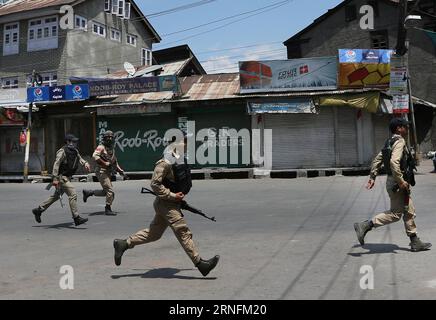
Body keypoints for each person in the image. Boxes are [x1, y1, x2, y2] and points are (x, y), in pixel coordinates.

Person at [112, 135, 220, 277]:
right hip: (166, 204)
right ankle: (201, 264)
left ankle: (124, 244)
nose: (186, 146)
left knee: (154, 234)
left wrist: (178, 200)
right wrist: (173, 196)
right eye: (183, 143)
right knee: (183, 232)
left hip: (169, 203)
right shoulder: (165, 162)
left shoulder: (179, 158)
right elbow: (155, 184)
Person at [354, 118, 432, 252]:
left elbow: (378, 159)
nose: (407, 129)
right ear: (398, 129)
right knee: (396, 214)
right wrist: (401, 181)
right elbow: (394, 162)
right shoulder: (399, 141)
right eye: (405, 127)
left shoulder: (389, 141)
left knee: (409, 211)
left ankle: (415, 241)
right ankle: (366, 225)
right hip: (398, 183)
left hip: (395, 181)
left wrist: (373, 176)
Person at [32, 134, 90, 226]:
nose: (75, 143)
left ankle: (39, 210)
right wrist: (54, 178)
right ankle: (76, 218)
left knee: (55, 196)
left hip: (67, 177)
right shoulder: (62, 151)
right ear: (67, 142)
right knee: (73, 194)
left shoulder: (75, 150)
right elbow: (56, 164)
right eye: (73, 141)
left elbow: (80, 158)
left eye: (75, 142)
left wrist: (85, 163)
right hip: (62, 177)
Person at [82, 130, 124, 216]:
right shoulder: (101, 147)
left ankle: (89, 192)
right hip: (101, 171)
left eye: (111, 137)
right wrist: (104, 163)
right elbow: (95, 156)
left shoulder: (111, 149)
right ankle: (107, 209)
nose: (109, 139)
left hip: (108, 172)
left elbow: (114, 161)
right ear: (104, 138)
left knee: (106, 192)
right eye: (107, 137)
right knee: (110, 191)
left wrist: (120, 170)